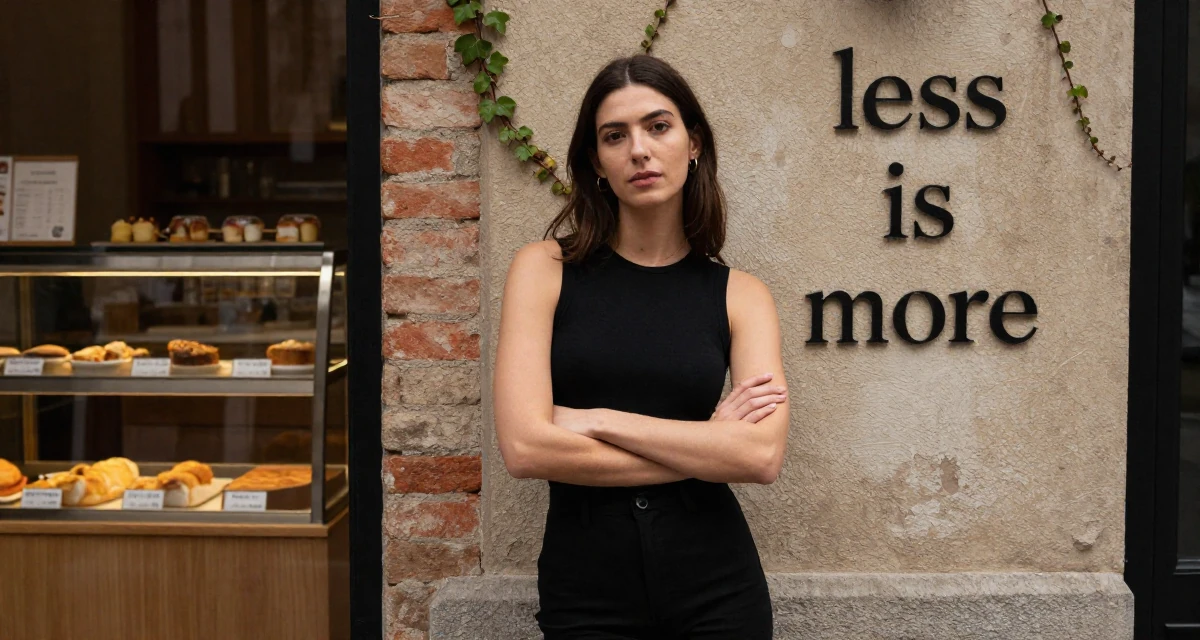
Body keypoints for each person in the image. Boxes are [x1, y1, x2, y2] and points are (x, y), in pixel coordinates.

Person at [492, 54, 790, 639]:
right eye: (614, 135)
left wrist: (595, 420)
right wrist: (705, 444)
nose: (639, 149)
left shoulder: (742, 296)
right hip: (586, 595)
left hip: (719, 591)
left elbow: (759, 457)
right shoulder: (544, 269)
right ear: (597, 162)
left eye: (658, 126)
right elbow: (526, 448)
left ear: (693, 143)